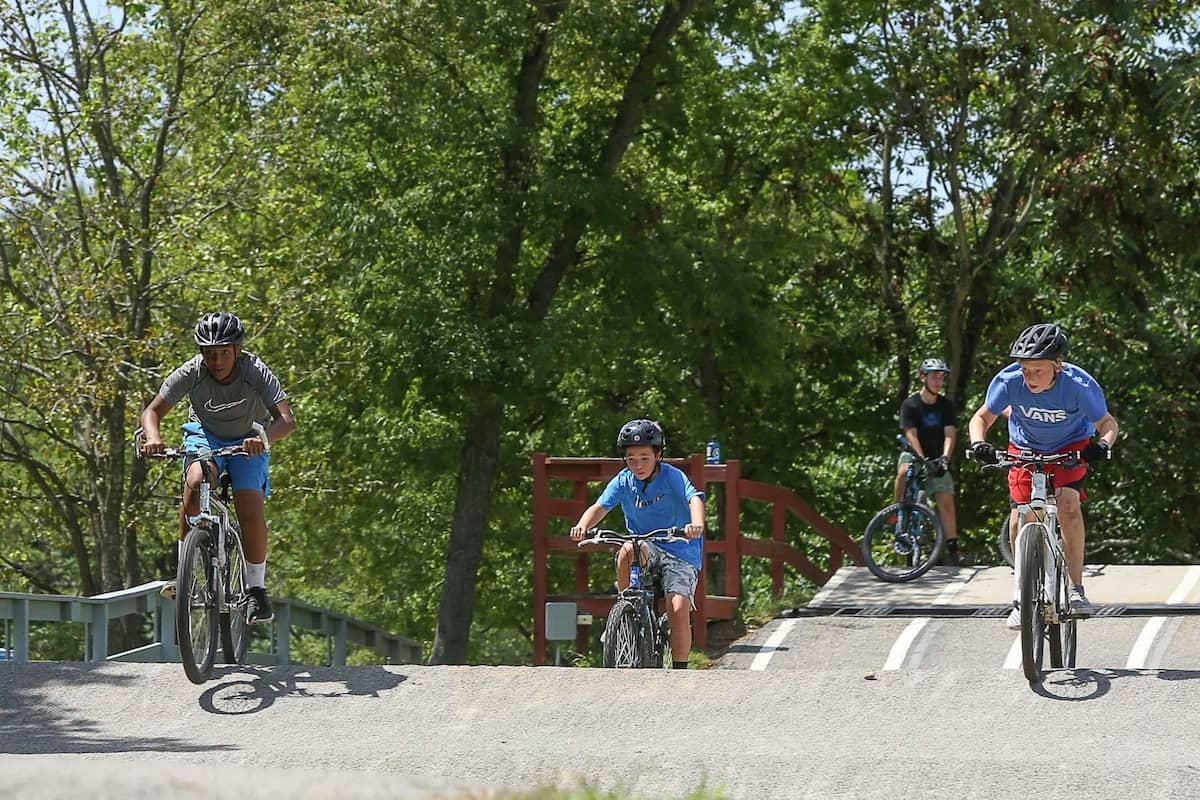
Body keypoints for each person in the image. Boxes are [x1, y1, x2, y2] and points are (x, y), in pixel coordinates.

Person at [139, 312, 296, 624]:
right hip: (205, 436)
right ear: (201, 354)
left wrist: (263, 438)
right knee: (196, 478)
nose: (217, 360)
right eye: (210, 353)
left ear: (237, 351)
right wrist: (154, 439)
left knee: (248, 505)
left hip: (250, 439)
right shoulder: (192, 372)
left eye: (224, 352)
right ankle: (184, 570)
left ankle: (256, 590)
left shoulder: (255, 371)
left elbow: (286, 420)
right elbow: (152, 412)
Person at [967, 323, 1118, 629]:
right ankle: (1021, 598)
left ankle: (1075, 589)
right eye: (1025, 370)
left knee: (1068, 505)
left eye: (1038, 370)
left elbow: (1107, 422)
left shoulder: (1078, 385)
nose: (1030, 377)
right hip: (1024, 446)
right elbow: (980, 417)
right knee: (1021, 515)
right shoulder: (1009, 381)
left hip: (1071, 447)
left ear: (1057, 366)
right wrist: (979, 443)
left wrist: (1101, 446)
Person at [570, 419, 705, 669]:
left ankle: (681, 670)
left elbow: (694, 498)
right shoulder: (623, 481)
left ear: (658, 455)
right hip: (646, 545)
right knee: (627, 549)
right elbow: (600, 507)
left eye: (644, 458)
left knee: (678, 608)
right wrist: (583, 526)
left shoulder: (672, 477)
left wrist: (696, 524)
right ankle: (627, 609)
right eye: (631, 459)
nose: (638, 465)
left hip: (679, 548)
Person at [895, 357, 967, 565]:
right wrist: (921, 458)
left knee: (946, 499)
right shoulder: (910, 404)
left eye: (941, 377)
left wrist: (944, 459)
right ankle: (897, 511)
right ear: (923, 377)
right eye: (934, 377)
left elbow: (950, 434)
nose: (938, 381)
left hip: (936, 457)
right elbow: (911, 434)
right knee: (903, 471)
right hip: (915, 454)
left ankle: (954, 549)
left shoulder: (945, 406)